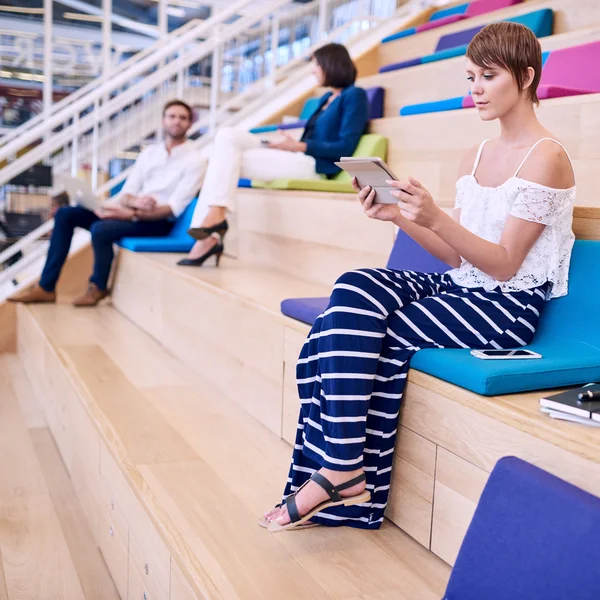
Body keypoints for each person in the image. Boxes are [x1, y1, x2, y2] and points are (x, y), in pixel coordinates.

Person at [261, 22, 576, 532]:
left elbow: (504, 265)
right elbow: (457, 260)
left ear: (526, 77)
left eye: (488, 76)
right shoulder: (472, 156)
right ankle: (345, 466)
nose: (474, 88)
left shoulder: (548, 158)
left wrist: (434, 217)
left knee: (367, 333)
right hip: (463, 286)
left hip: (505, 307)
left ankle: (341, 476)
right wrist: (400, 218)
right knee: (355, 287)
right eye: (470, 75)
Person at [177, 43, 369, 267]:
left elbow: (345, 146)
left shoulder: (355, 95)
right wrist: (290, 143)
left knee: (226, 158)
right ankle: (214, 220)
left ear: (331, 63)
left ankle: (210, 233)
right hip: (299, 155)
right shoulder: (326, 98)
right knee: (226, 138)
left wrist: (300, 146)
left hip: (313, 165)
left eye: (316, 64)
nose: (312, 70)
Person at [9, 100, 203, 307]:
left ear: (190, 124)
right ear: (163, 120)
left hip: (158, 222)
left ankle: (98, 287)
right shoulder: (150, 153)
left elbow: (173, 208)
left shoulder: (195, 160)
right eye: (172, 116)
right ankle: (46, 287)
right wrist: (134, 202)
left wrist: (131, 214)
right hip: (132, 213)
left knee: (101, 228)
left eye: (183, 118)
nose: (176, 121)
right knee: (66, 214)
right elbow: (127, 193)